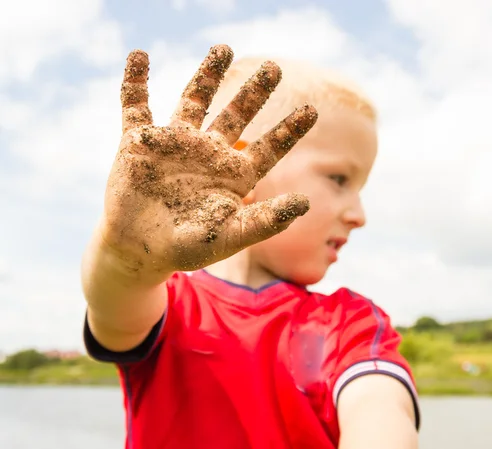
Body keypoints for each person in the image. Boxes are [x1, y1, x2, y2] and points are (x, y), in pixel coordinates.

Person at [81, 44, 420, 449]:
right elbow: (116, 301)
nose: (358, 215)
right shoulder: (169, 305)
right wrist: (127, 257)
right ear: (238, 167)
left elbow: (379, 410)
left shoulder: (348, 324)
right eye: (340, 179)